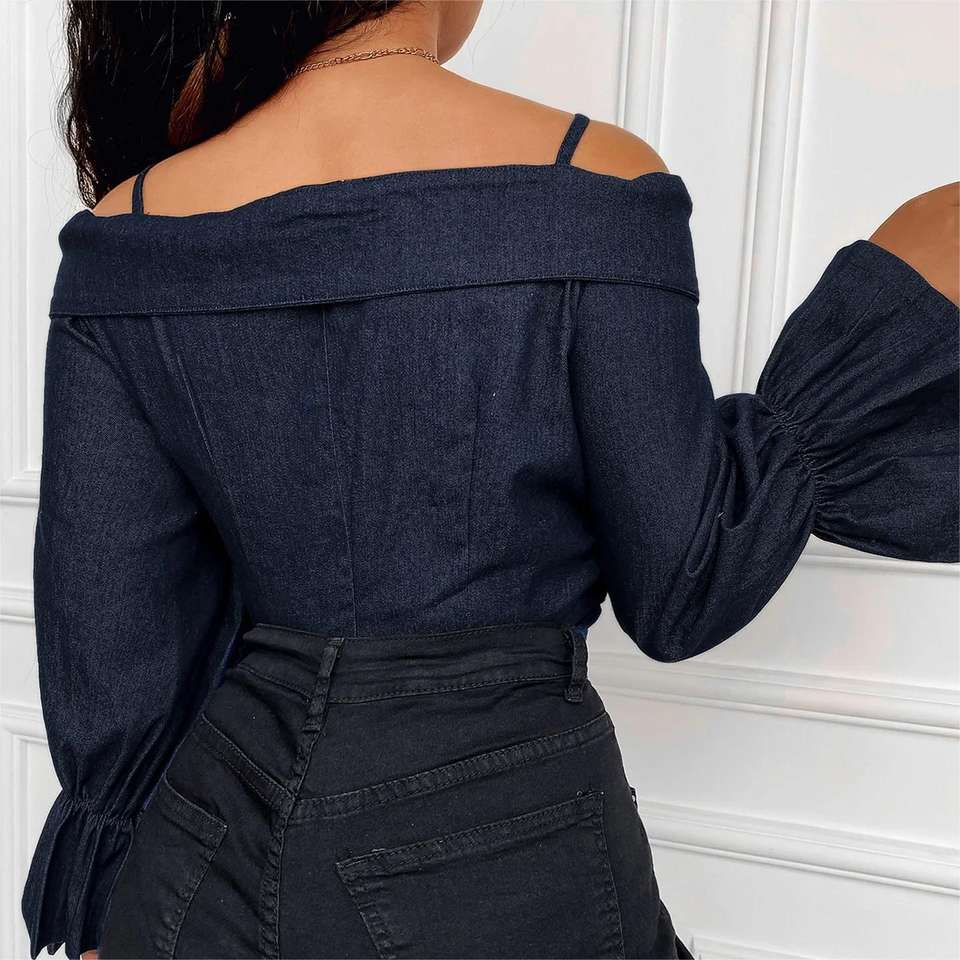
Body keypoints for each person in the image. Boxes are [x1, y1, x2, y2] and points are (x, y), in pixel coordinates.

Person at [22, 2, 959, 959]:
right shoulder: (591, 185)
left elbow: (111, 627)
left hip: (205, 858)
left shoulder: (126, 234)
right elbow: (683, 585)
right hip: (512, 853)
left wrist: (105, 908)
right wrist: (882, 332)